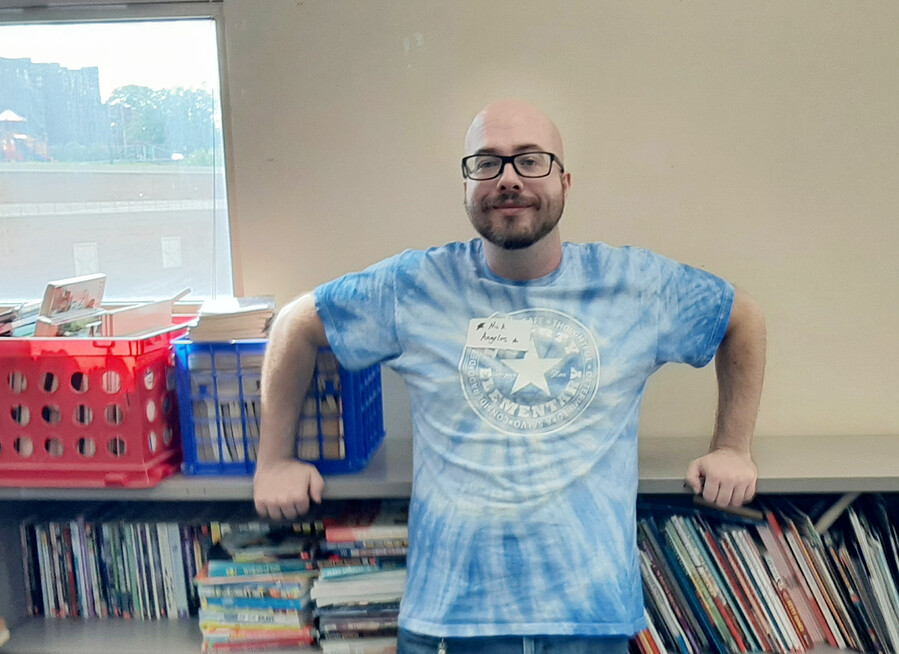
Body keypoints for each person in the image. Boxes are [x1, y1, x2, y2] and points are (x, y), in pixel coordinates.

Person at [254, 99, 766, 654]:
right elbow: (294, 324)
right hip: (448, 620)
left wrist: (733, 447)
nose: (509, 179)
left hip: (588, 619)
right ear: (467, 184)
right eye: (487, 163)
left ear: (565, 182)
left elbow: (744, 319)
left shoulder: (636, 285)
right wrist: (274, 460)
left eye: (530, 161)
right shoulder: (413, 285)